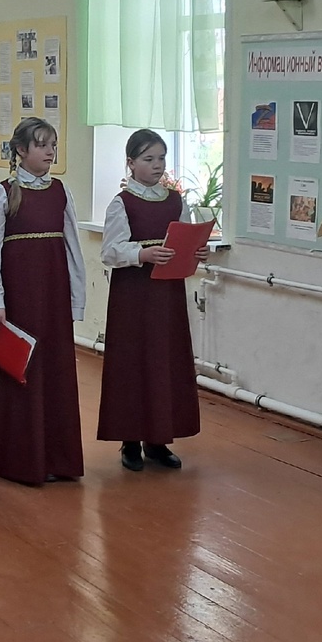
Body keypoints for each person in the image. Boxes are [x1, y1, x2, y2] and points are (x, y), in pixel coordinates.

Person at [0, 116, 85, 485]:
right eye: (42, 145)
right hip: (19, 295)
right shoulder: (2, 194)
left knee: (53, 370)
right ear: (21, 150)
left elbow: (72, 248)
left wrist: (76, 298)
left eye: (53, 145)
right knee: (19, 367)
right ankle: (17, 459)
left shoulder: (60, 192)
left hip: (53, 294)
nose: (50, 151)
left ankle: (56, 457)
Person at [98, 129, 208, 472]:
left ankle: (158, 439)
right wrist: (142, 254)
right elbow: (110, 251)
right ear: (131, 163)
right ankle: (130, 440)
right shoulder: (122, 202)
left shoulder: (176, 200)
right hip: (133, 294)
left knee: (164, 359)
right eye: (148, 159)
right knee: (133, 361)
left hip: (167, 293)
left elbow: (184, 238)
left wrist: (197, 251)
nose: (157, 165)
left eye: (161, 158)